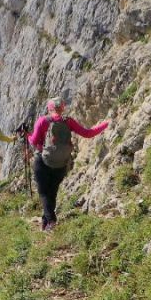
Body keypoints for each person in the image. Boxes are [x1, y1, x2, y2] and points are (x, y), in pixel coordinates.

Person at [26, 97, 109, 231]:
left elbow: (34, 141)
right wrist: (105, 124)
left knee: (43, 193)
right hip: (61, 163)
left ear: (49, 108)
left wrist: (27, 136)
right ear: (63, 108)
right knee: (52, 193)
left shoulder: (42, 121)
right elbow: (88, 134)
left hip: (43, 161)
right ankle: (45, 224)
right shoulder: (68, 121)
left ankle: (51, 221)